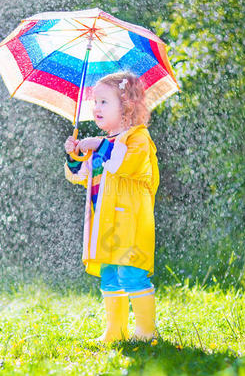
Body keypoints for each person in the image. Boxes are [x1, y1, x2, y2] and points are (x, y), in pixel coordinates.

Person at [63, 71, 160, 343]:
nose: (96, 108)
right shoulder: (102, 144)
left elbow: (123, 164)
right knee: (109, 275)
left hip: (130, 224)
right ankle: (115, 330)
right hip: (105, 224)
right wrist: (75, 156)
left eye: (104, 102)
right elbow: (82, 176)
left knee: (131, 273)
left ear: (127, 107)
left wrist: (101, 146)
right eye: (95, 102)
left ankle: (146, 331)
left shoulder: (138, 139)